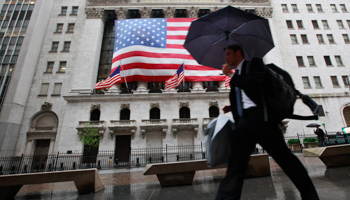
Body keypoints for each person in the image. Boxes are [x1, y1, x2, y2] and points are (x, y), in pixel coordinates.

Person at [216, 44, 319, 200]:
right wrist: (232, 107)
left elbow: (255, 85)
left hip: (262, 121)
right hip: (244, 123)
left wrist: (231, 75)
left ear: (238, 52)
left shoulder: (255, 64)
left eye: (229, 53)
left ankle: (310, 196)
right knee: (235, 167)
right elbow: (248, 95)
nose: (226, 58)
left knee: (286, 161)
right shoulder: (237, 73)